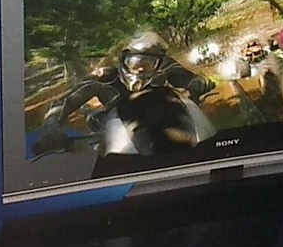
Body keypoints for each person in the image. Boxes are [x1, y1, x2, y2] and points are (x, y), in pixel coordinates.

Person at [32, 32, 215, 156]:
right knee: (94, 131)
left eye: (148, 63)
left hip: (159, 124)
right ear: (123, 60)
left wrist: (199, 84)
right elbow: (63, 103)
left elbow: (193, 80)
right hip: (113, 133)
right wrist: (51, 127)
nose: (140, 68)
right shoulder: (104, 78)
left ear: (158, 63)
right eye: (134, 62)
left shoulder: (166, 67)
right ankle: (89, 117)